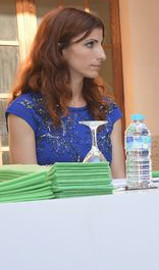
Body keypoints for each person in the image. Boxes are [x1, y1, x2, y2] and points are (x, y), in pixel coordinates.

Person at [6, 7, 124, 178]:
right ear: (59, 49)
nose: (102, 55)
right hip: (47, 205)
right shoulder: (25, 111)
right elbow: (28, 189)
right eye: (90, 44)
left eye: (100, 43)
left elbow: (119, 181)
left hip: (104, 205)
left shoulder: (108, 109)